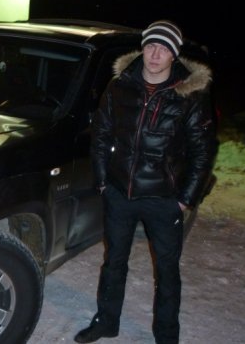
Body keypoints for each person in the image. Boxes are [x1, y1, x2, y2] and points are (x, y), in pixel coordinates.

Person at [74, 20, 218, 344]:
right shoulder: (119, 86)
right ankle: (106, 321)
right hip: (119, 192)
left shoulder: (191, 95)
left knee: (167, 272)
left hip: (164, 198)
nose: (155, 54)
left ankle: (166, 335)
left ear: (174, 55)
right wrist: (102, 182)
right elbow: (101, 135)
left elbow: (203, 151)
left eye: (164, 49)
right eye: (151, 45)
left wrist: (185, 199)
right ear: (143, 48)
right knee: (113, 263)